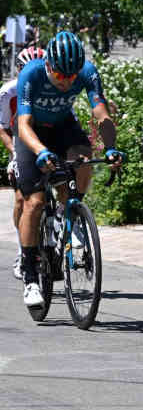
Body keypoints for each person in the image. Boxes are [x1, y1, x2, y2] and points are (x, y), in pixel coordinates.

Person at [13, 32, 124, 306]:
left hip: (63, 126)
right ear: (48, 65)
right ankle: (29, 275)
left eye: (72, 76)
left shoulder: (87, 72)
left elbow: (101, 112)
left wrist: (111, 146)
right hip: (32, 132)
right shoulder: (31, 73)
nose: (66, 82)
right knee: (34, 202)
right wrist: (40, 151)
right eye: (60, 75)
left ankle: (69, 213)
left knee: (84, 157)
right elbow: (23, 124)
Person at [2, 47, 45, 279]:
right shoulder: (7, 92)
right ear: (19, 70)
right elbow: (2, 128)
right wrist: (14, 154)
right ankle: (23, 250)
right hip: (18, 143)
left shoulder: (51, 89)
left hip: (45, 142)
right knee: (22, 198)